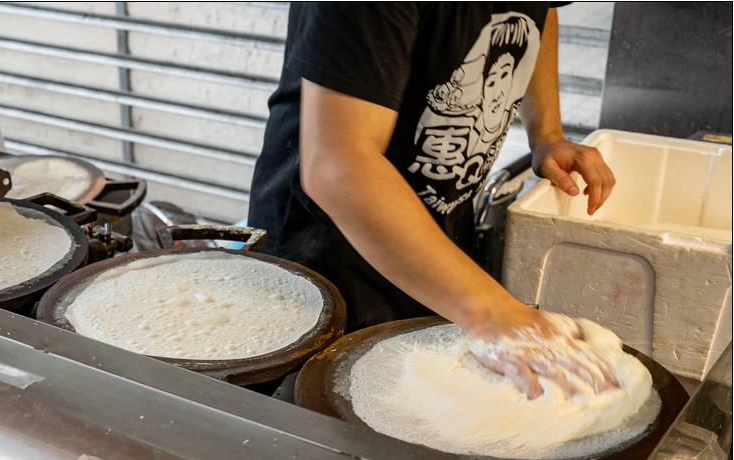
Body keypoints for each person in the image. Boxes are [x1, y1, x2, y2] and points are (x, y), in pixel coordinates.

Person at [249, 3, 619, 399]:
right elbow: (338, 165)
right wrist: (495, 312)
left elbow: (538, 13)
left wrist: (546, 133)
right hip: (330, 247)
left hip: (436, 237)